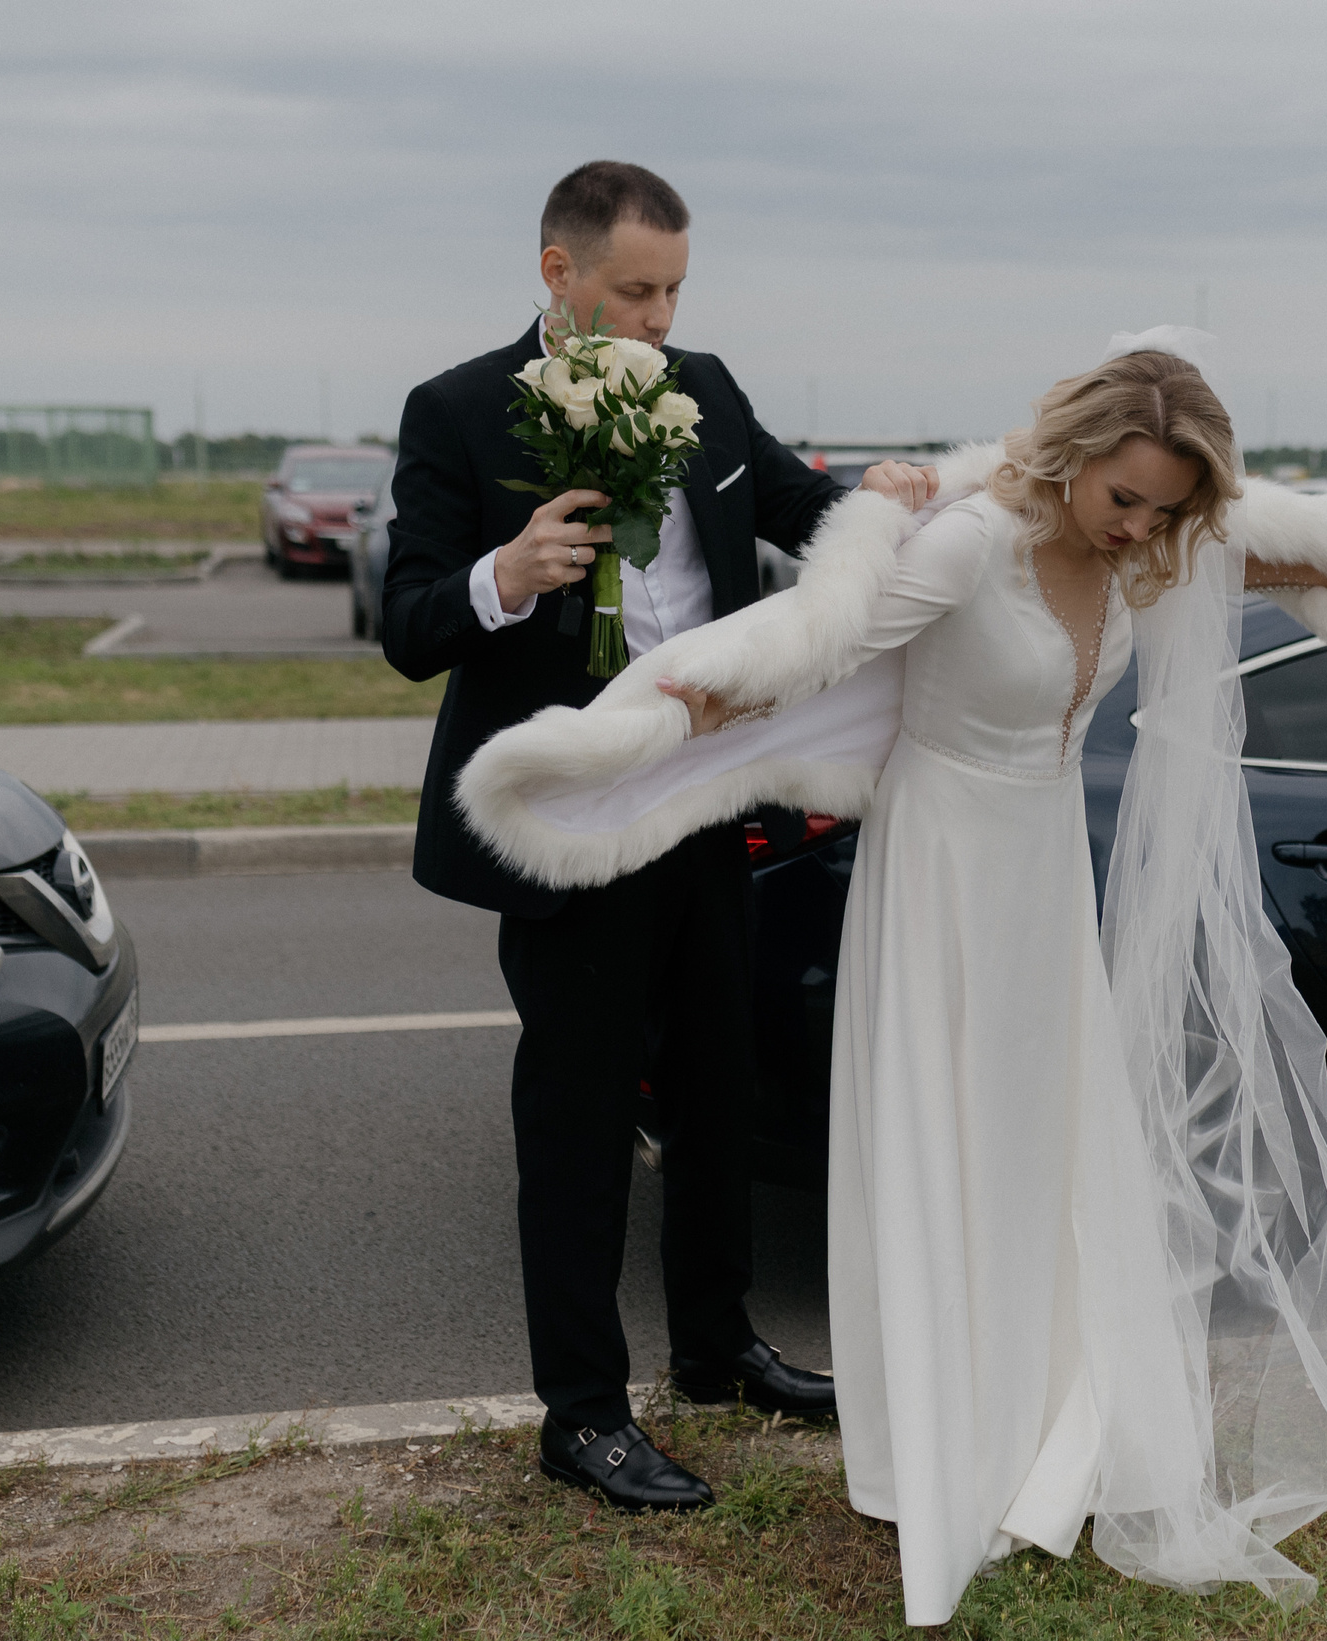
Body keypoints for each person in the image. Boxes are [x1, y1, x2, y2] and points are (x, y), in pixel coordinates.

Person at [455, 331, 1327, 1623]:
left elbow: (1225, 554)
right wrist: (654, 723)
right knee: (945, 1147)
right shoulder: (971, 544)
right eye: (1121, 494)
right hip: (938, 873)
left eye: (1163, 506)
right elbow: (822, 643)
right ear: (1074, 456)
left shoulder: (1149, 549)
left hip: (1038, 877)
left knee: (1045, 1151)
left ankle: (1045, 1420)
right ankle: (943, 1443)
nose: (1138, 524)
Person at [378, 160, 936, 1514]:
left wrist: (888, 493)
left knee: (716, 1088)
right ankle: (582, 1415)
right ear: (558, 273)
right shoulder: (458, 410)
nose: (657, 316)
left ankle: (718, 1348)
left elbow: (804, 515)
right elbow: (406, 624)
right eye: (635, 289)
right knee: (575, 1121)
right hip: (575, 824)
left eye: (675, 289)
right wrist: (498, 579)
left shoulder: (713, 390)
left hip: (711, 800)